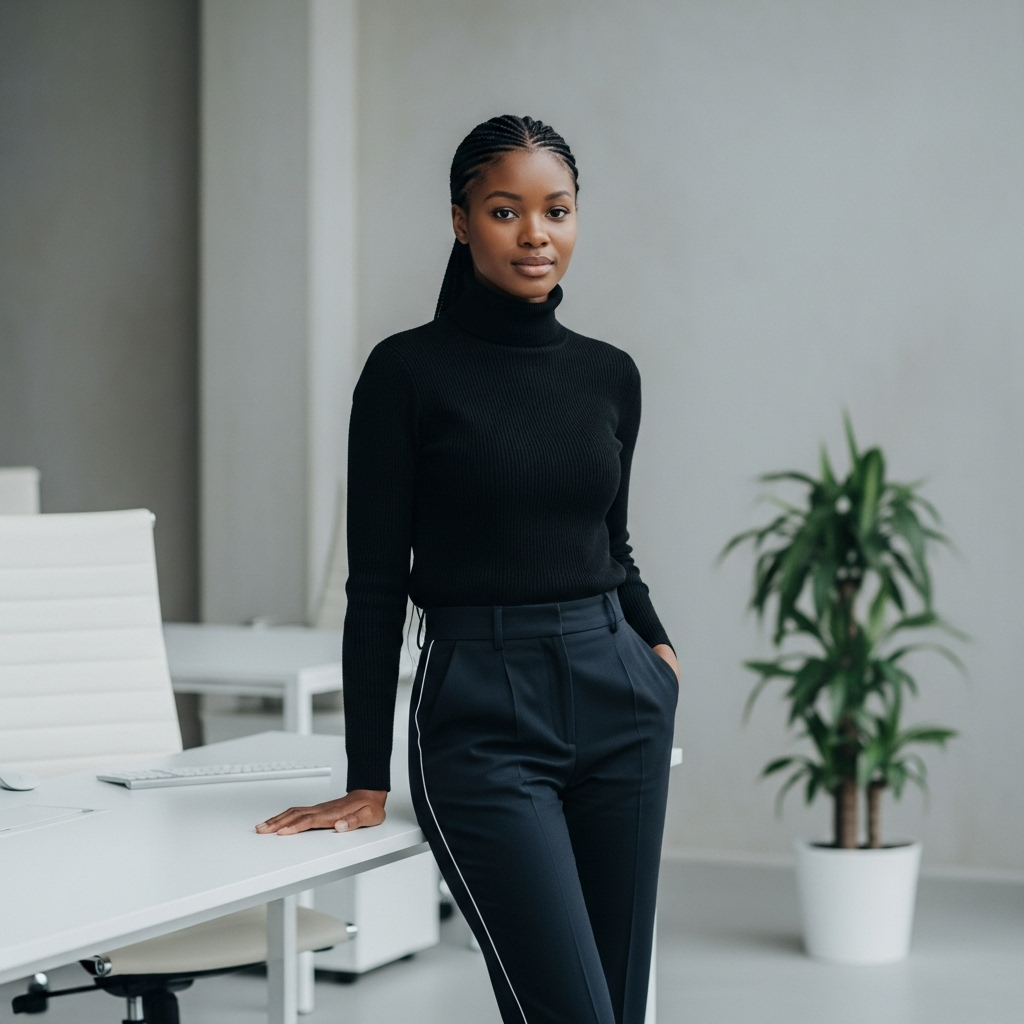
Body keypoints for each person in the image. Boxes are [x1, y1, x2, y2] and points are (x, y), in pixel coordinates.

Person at [257, 114, 679, 1024]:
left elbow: (612, 544)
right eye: (505, 210)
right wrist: (368, 775)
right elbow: (375, 582)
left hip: (621, 698)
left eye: (557, 209)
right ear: (459, 221)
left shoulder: (612, 376)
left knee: (620, 1007)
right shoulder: (406, 374)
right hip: (482, 717)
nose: (536, 234)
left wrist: (656, 650)